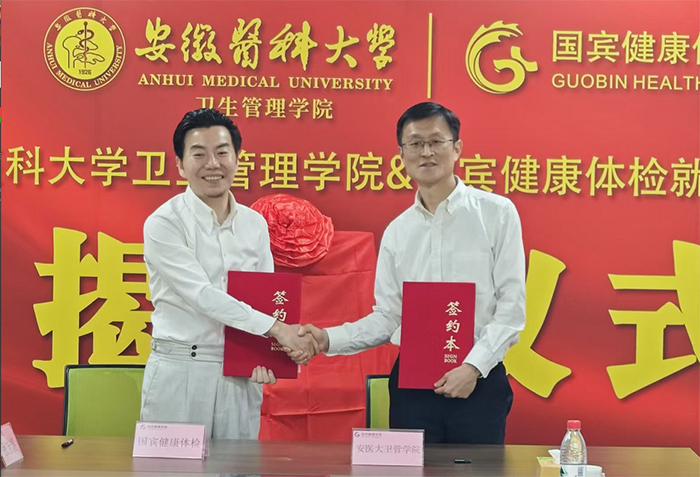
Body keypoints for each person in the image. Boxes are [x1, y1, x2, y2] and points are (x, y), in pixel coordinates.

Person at [293, 102, 526, 444]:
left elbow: (511, 309)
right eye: (415, 143)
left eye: (436, 141)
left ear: (457, 148)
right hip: (413, 388)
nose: (426, 152)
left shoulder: (497, 214)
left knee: (477, 469)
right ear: (401, 154)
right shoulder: (398, 232)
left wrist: (473, 367)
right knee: (412, 468)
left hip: (479, 381)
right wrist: (327, 339)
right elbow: (388, 318)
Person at [141, 108, 317, 440]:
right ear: (180, 164)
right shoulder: (164, 223)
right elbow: (201, 295)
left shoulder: (255, 224)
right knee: (171, 465)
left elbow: (267, 297)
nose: (213, 164)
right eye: (199, 154)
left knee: (237, 465)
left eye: (222, 152)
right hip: (181, 371)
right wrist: (277, 330)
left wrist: (270, 356)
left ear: (237, 159)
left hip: (240, 375)